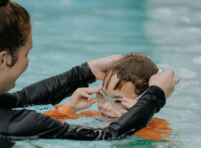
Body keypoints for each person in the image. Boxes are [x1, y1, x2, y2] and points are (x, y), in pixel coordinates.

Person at [0, 0, 179, 140]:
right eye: (27, 53)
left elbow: (18, 99)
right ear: (3, 59)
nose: (28, 61)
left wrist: (84, 71)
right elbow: (105, 136)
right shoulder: (12, 124)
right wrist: (156, 94)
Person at [44, 53, 172, 141]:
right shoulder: (92, 116)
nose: (104, 107)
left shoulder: (157, 128)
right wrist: (69, 108)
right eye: (102, 95)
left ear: (143, 102)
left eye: (118, 101)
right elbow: (41, 124)